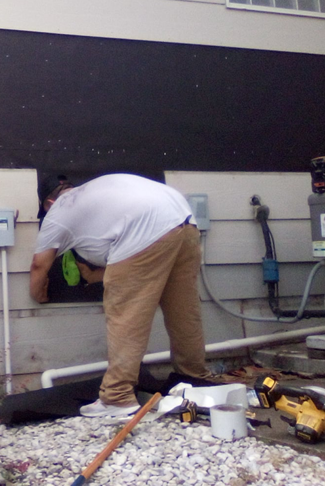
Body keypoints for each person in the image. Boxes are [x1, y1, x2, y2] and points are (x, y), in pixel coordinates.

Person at [30, 173, 209, 417]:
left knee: (126, 315)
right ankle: (194, 379)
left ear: (48, 204)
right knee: (183, 311)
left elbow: (39, 265)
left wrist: (38, 294)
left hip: (146, 229)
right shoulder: (94, 193)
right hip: (183, 221)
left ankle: (117, 397)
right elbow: (133, 263)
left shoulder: (59, 210)